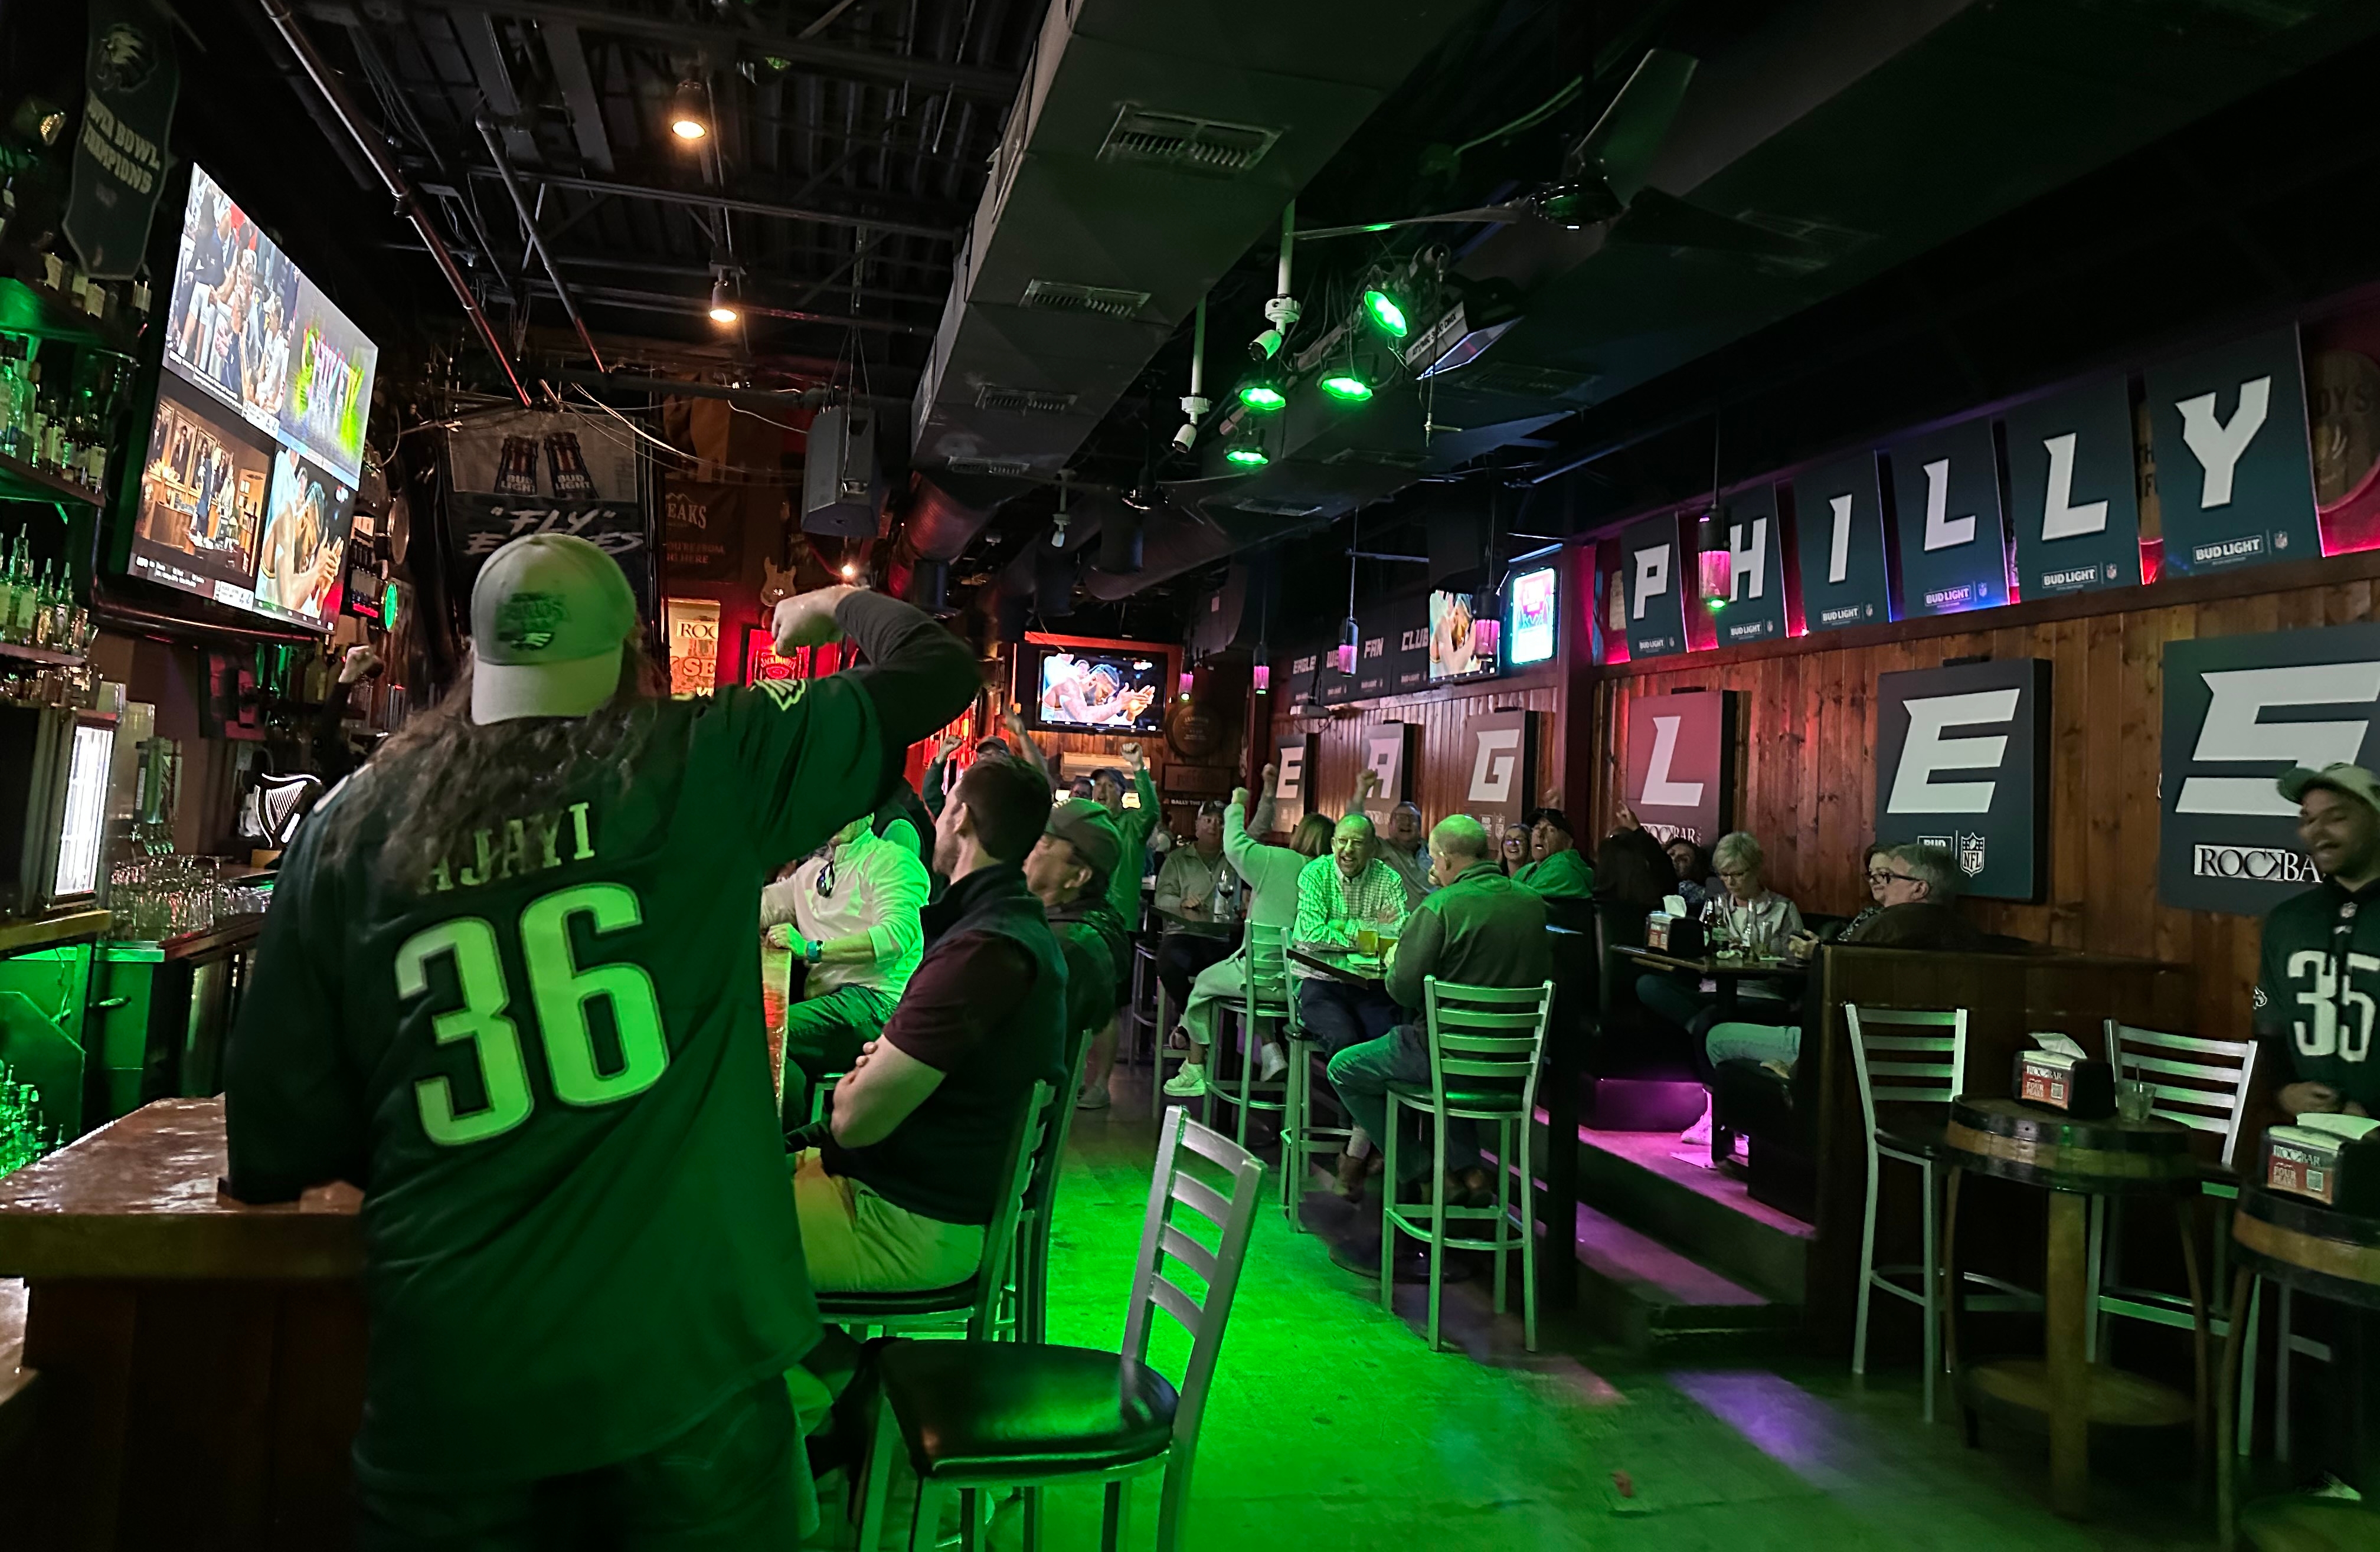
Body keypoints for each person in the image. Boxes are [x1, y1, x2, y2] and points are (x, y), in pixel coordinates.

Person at [223, 538, 977, 1548]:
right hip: (687, 1382)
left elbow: (276, 1147)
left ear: (474, 665)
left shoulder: (346, 829)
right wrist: (827, 611)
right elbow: (935, 671)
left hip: (452, 1401)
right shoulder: (703, 755)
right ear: (635, 657)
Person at [793, 756, 1065, 1297]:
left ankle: (837, 1379)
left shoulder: (982, 951)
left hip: (909, 1222)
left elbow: (853, 1121)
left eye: (945, 808)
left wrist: (869, 1073)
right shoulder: (1001, 928)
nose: (936, 820)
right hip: (906, 1195)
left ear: (960, 817)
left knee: (691, 1233)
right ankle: (832, 1373)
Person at [1326, 816, 1549, 1216]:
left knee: (1345, 1068)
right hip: (1513, 1066)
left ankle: (1423, 1171)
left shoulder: (1440, 907)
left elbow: (1402, 989)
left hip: (1441, 1055)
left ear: (1443, 859)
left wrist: (1396, 958)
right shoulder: (1532, 905)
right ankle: (1471, 1172)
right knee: (1449, 1067)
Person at [1165, 765, 1335, 1099]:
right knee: (1243, 975)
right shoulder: (1331, 875)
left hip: (1260, 978)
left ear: (1300, 833)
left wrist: (1238, 802)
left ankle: (1195, 1068)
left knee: (1204, 985)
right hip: (1304, 988)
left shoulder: (1279, 860)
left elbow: (1235, 845)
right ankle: (1270, 1051)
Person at [760, 809, 933, 1129]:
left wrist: (811, 949)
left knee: (763, 1034)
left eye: (854, 804)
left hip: (876, 1003)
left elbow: (897, 936)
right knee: (773, 1050)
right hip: (834, 1003)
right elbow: (761, 907)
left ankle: (788, 1144)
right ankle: (795, 1144)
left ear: (870, 816)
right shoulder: (812, 872)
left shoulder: (892, 860)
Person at [2257, 764, 2380, 1119]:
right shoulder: (2288, 920)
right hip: (2308, 1144)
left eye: (2336, 817)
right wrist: (2284, 1092)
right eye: (2308, 819)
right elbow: (2270, 1031)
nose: (2317, 832)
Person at [1635, 830, 1804, 1048]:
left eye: (1737, 874)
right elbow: (1700, 949)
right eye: (1724, 875)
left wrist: (1758, 956)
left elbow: (1797, 965)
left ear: (1756, 869)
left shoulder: (1783, 909)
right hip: (1712, 991)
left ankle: (1705, 1033)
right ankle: (1704, 1032)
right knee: (1647, 984)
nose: (1730, 882)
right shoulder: (1716, 906)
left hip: (1758, 995)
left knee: (1711, 1016)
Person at [1077, 745, 1162, 1110]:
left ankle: (1100, 1085)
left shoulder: (1133, 825)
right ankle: (1078, 1079)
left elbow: (1152, 811)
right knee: (1079, 1004)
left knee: (1108, 1007)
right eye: (1098, 786)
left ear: (1122, 792)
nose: (1102, 791)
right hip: (1083, 922)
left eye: (1110, 786)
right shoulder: (1087, 827)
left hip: (1119, 927)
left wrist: (1138, 768)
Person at [1025, 799, 1131, 1083]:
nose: (1030, 849)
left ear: (1078, 876)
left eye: (1045, 842)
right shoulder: (1074, 929)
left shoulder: (1068, 946)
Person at [1151, 798, 1242, 1032]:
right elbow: (1162, 897)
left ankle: (1197, 1030)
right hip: (1184, 934)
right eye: (1208, 820)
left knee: (1239, 973)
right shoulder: (1178, 859)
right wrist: (1182, 903)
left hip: (1221, 940)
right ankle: (1193, 1017)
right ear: (1197, 825)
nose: (1213, 826)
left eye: (1220, 822)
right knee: (1169, 964)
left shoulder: (1235, 861)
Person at [1513, 808, 1594, 903]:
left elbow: (1518, 903)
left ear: (1568, 843)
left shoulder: (1563, 868)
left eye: (1550, 830)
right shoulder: (1529, 869)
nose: (1540, 834)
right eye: (1537, 828)